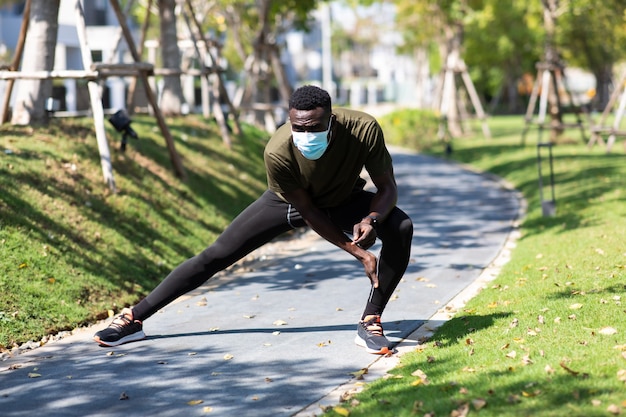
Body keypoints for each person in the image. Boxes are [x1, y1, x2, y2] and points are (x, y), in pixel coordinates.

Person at [93, 85, 413, 355]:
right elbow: (309, 211)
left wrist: (372, 218)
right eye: (298, 128)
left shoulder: (363, 129)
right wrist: (357, 251)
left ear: (332, 121)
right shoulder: (278, 150)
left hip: (343, 197)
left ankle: (370, 320)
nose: (305, 134)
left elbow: (386, 188)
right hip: (291, 202)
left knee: (400, 227)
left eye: (315, 128)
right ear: (289, 120)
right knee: (216, 254)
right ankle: (133, 318)